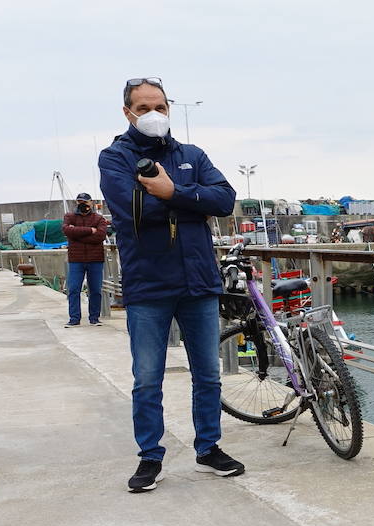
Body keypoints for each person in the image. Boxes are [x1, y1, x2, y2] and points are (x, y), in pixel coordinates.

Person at [98, 77, 243, 492]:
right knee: (147, 377)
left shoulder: (192, 154)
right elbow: (133, 211)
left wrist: (172, 191)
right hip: (148, 284)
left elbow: (225, 200)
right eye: (143, 108)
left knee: (208, 374)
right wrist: (190, 201)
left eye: (159, 106)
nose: (153, 115)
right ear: (127, 112)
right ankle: (150, 456)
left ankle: (208, 448)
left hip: (198, 280)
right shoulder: (115, 157)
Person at [60, 193, 111, 327]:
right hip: (76, 259)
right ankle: (74, 318)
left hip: (95, 259)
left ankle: (94, 318)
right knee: (74, 289)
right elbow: (66, 231)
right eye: (79, 202)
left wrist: (76, 234)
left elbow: (100, 236)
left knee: (95, 290)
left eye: (85, 202)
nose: (82, 205)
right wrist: (90, 230)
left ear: (91, 203)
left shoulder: (99, 218)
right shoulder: (69, 217)